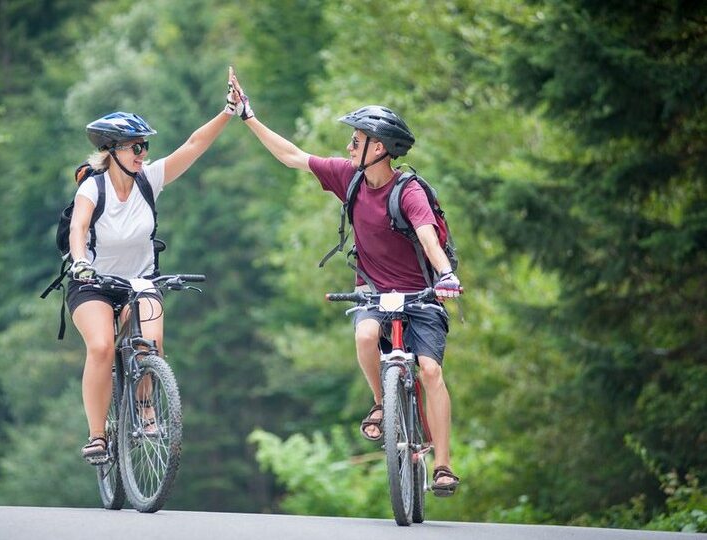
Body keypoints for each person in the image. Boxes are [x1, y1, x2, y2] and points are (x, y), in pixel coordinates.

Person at [228, 68, 463, 496]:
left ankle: (443, 465)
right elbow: (292, 156)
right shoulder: (348, 178)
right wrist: (248, 117)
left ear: (379, 148)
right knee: (365, 335)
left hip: (422, 294)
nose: (348, 147)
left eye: (356, 141)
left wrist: (446, 275)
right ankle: (381, 403)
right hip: (373, 290)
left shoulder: (408, 191)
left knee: (430, 370)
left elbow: (428, 237)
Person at [70, 74, 239, 464]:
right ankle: (97, 435)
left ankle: (145, 409)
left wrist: (229, 111)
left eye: (145, 146)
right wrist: (79, 262)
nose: (143, 153)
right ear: (112, 150)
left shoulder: (149, 180)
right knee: (101, 347)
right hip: (92, 283)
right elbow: (78, 228)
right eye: (136, 147)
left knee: (151, 342)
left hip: (139, 281)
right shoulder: (93, 189)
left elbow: (193, 145)